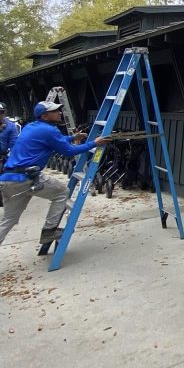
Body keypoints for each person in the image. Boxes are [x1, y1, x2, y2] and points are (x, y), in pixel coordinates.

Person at [0, 101, 108, 255]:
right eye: (55, 111)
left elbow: (53, 141)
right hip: (26, 178)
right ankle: (49, 231)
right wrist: (93, 143)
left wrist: (72, 137)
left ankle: (49, 230)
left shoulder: (31, 127)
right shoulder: (50, 130)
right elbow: (69, 152)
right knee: (62, 192)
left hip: (8, 179)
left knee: (8, 221)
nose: (59, 112)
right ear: (44, 116)